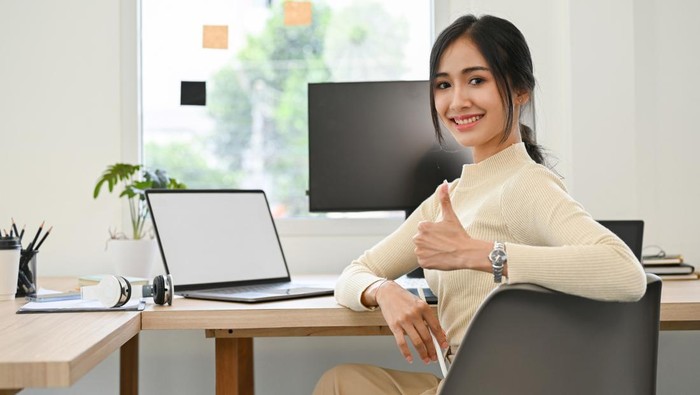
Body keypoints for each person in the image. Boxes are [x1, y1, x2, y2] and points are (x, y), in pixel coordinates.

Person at [313, 14, 646, 395]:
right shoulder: (447, 199)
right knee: (339, 380)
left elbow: (625, 272)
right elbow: (355, 273)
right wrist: (385, 292)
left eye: (476, 80)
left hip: (498, 385)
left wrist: (482, 255)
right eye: (443, 84)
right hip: (461, 380)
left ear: (520, 91)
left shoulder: (526, 183)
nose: (457, 101)